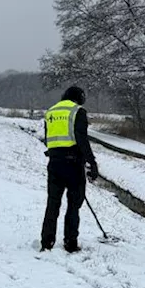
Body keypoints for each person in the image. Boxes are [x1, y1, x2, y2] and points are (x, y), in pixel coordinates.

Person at [40, 85, 98, 253]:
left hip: (54, 164)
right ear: (79, 97)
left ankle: (47, 241)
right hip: (73, 165)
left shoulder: (50, 112)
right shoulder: (77, 111)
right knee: (73, 205)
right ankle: (70, 242)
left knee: (52, 204)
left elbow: (48, 139)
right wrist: (92, 163)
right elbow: (82, 139)